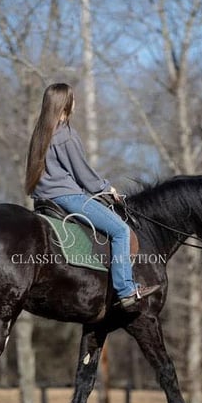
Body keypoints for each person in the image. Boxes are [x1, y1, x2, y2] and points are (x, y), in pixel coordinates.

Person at [24, 83, 160, 309]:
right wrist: (107, 189)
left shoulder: (40, 133)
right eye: (73, 98)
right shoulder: (65, 134)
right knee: (120, 231)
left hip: (43, 200)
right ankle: (126, 290)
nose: (75, 102)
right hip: (67, 197)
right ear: (65, 103)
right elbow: (83, 175)